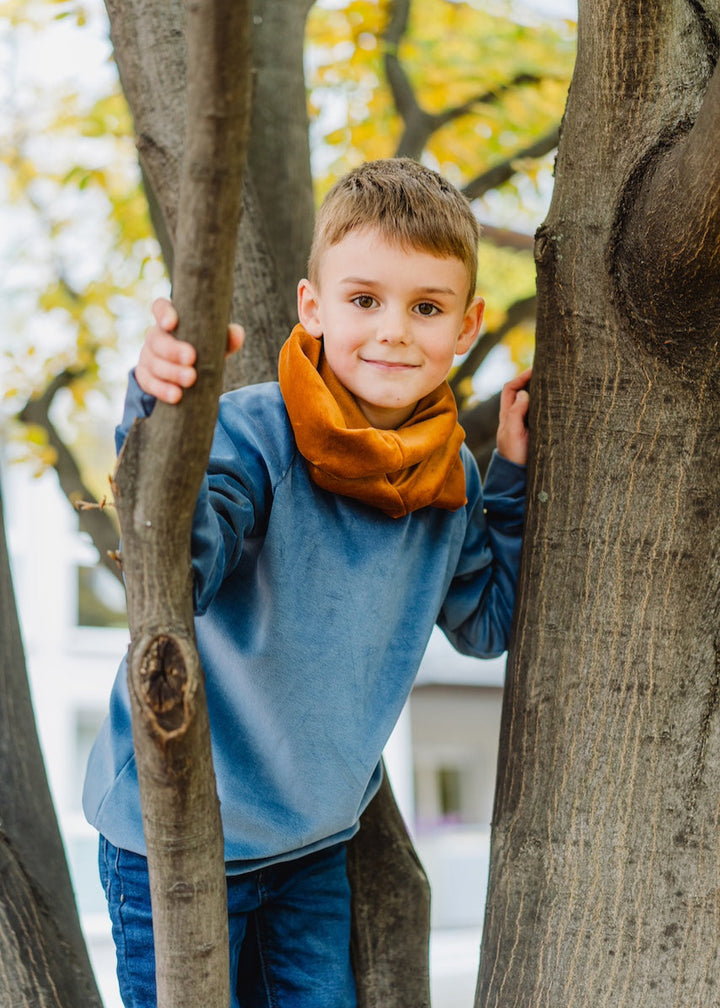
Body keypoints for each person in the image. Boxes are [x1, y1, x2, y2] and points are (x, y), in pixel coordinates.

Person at [83, 157, 531, 1008]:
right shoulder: (255, 434)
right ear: (313, 308)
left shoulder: (450, 483)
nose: (395, 330)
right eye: (365, 300)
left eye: (426, 308)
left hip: (310, 846)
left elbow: (486, 624)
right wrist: (161, 408)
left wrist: (509, 477)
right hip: (175, 838)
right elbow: (180, 567)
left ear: (466, 326)